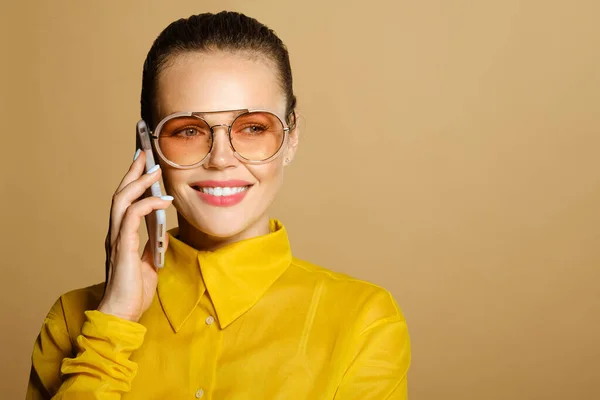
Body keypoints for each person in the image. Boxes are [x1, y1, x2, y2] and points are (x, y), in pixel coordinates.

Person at [27, 11, 411, 399]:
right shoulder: (72, 320)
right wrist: (111, 327)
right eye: (189, 131)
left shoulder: (364, 321)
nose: (221, 159)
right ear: (149, 146)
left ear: (292, 138)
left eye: (253, 128)